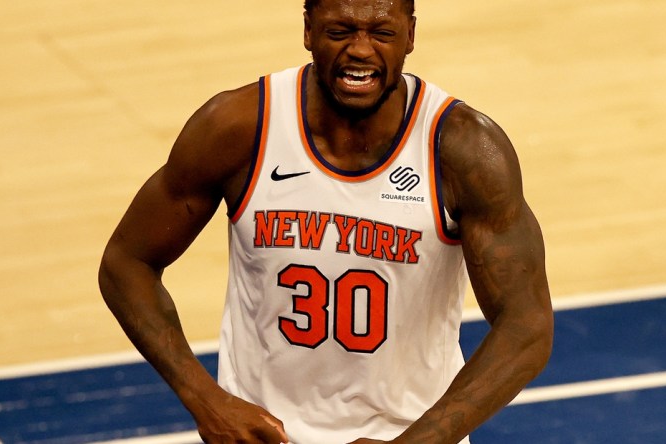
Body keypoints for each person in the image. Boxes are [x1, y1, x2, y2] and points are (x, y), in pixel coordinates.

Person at [98, 0, 554, 442]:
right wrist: (205, 400)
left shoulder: (462, 150)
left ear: (410, 35)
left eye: (381, 32)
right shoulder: (239, 128)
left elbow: (527, 325)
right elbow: (126, 263)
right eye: (340, 31)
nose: (359, 49)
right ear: (308, 31)